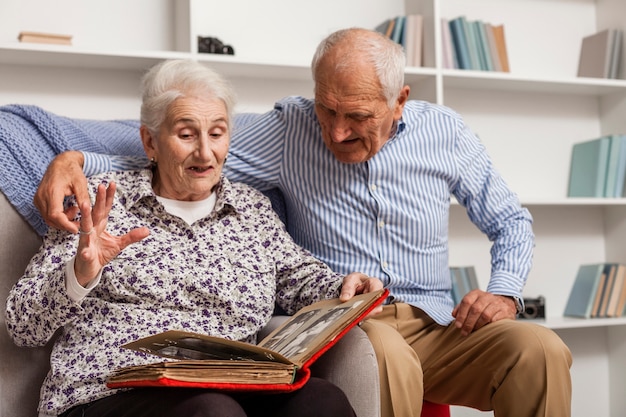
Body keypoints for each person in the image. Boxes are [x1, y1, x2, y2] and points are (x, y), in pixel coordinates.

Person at [32, 28, 572, 417]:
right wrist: (72, 159)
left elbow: (509, 219)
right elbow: (168, 143)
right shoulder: (289, 132)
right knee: (383, 359)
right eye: (325, 110)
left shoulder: (444, 133)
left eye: (356, 116)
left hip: (437, 318)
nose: (335, 133)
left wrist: (503, 292)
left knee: (539, 350)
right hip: (358, 325)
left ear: (399, 102)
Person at [5, 59, 384, 417]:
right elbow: (23, 326)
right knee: (213, 411)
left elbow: (299, 278)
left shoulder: (251, 209)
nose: (205, 152)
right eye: (186, 135)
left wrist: (344, 285)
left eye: (217, 133)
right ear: (150, 142)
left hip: (233, 387)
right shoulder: (100, 203)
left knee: (321, 400)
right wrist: (79, 274)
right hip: (110, 392)